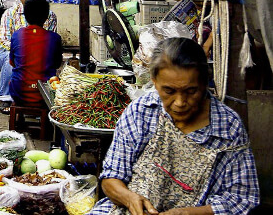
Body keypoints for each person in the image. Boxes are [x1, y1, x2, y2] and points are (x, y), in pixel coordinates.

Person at [91, 38, 259, 215]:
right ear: (155, 81)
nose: (180, 103)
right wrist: (130, 199)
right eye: (169, 91)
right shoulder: (141, 112)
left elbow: (242, 199)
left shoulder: (227, 127)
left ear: (204, 83)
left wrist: (186, 213)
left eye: (191, 91)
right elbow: (111, 179)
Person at [0, 0, 58, 113]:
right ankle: (4, 98)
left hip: (37, 54)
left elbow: (50, 43)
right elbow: (4, 41)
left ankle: (38, 94)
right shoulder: (10, 14)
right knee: (12, 63)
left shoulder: (50, 16)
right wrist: (24, 49)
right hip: (13, 52)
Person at [9, 0, 63, 108]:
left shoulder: (17, 35)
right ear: (46, 16)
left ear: (26, 15)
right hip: (45, 94)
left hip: (19, 92)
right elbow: (57, 64)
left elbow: (12, 62)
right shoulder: (54, 38)